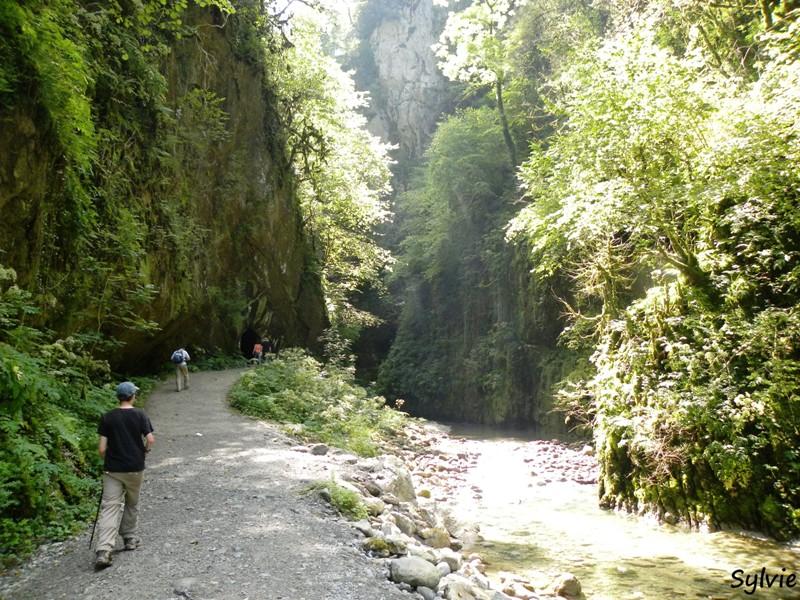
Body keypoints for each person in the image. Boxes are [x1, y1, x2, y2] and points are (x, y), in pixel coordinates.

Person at [94, 381, 155, 569]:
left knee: (110, 507)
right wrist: (144, 451)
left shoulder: (107, 417)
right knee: (131, 503)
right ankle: (129, 538)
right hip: (135, 468)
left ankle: (104, 550)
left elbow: (102, 449)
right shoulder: (140, 415)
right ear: (133, 396)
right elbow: (150, 439)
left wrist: (110, 457)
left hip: (113, 469)